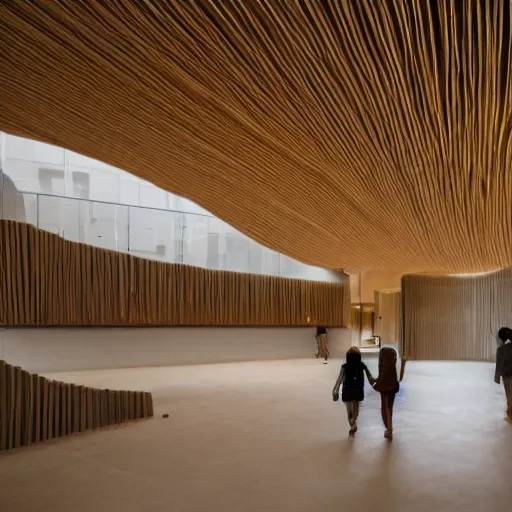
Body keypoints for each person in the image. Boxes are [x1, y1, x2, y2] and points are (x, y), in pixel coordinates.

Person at [332, 346, 374, 437]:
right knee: (356, 408)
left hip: (347, 391)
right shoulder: (361, 365)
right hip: (357, 390)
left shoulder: (344, 367)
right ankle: (354, 420)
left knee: (349, 410)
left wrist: (335, 390)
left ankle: (352, 424)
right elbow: (369, 376)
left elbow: (339, 379)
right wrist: (373, 382)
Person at [373, 347, 399, 440]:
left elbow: (381, 374)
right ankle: (389, 428)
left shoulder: (383, 366)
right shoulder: (392, 368)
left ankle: (389, 429)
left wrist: (376, 381)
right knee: (389, 407)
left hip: (385, 387)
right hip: (392, 386)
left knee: (386, 407)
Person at [495, 327, 512, 423]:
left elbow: (499, 365)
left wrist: (497, 377)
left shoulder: (502, 350)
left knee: (510, 396)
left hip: (508, 375)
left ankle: (510, 415)